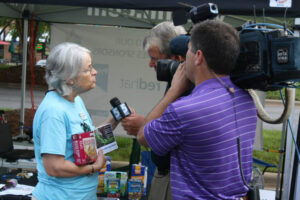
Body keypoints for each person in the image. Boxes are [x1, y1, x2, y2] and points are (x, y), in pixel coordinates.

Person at [136, 20, 258, 199]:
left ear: (198, 56)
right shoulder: (246, 100)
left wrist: (173, 91)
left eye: (187, 51)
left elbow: (143, 136)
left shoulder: (184, 110)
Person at [32, 42, 118, 200]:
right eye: (88, 69)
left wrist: (113, 121)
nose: (95, 72)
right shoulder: (53, 111)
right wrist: (93, 168)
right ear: (69, 78)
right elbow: (54, 167)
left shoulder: (75, 101)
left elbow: (86, 145)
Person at [121, 21, 186, 200]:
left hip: (174, 179)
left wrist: (143, 125)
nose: (151, 64)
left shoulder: (185, 86)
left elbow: (175, 134)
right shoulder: (176, 80)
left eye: (155, 58)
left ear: (176, 57)